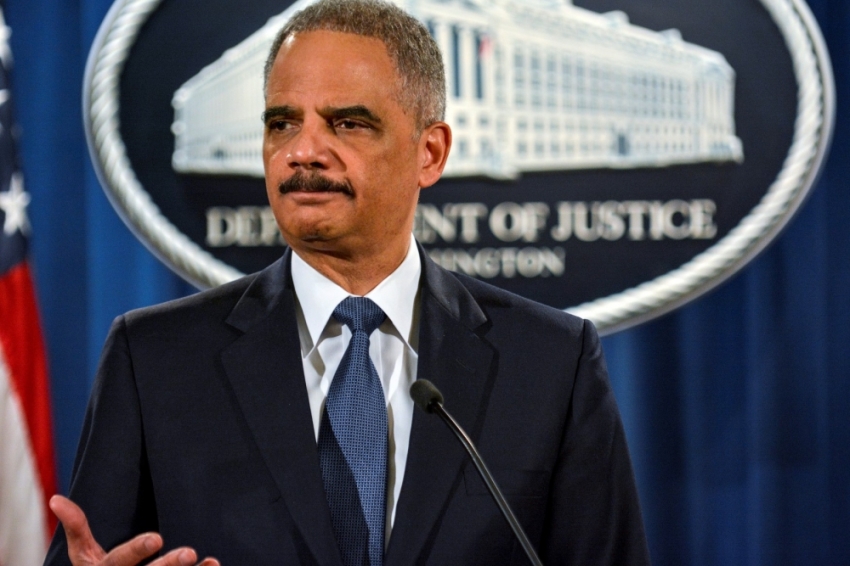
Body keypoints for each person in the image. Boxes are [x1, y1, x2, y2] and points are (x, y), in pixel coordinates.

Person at [46, 1, 650, 564]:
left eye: (348, 123)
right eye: (282, 123)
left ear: (430, 153)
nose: (304, 150)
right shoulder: (154, 360)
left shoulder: (550, 363)